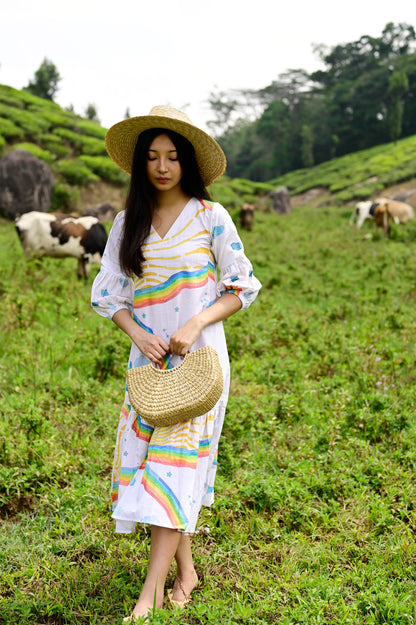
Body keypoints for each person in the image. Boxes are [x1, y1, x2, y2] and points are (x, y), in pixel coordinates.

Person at [91, 106, 261, 621]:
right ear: (141, 164)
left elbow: (242, 286)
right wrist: (140, 334)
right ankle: (186, 572)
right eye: (152, 157)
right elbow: (107, 295)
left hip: (202, 368)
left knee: (173, 468)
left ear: (186, 161)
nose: (162, 166)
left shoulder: (212, 217)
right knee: (156, 472)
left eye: (172, 156)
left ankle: (149, 597)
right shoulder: (128, 223)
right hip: (149, 369)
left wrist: (196, 322)